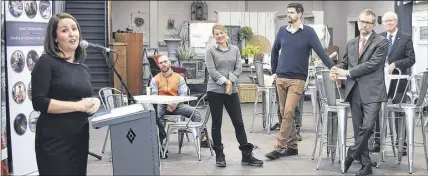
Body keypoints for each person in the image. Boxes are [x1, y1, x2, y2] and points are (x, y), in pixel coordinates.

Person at [31, 13, 101, 175]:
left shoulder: (83, 68)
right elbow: (39, 102)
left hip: (79, 138)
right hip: (54, 140)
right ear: (55, 38)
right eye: (64, 30)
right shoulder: (46, 62)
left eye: (74, 29)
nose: (72, 33)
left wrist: (95, 103)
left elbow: (83, 98)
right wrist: (77, 106)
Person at [265, 3, 334, 160]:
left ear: (300, 14)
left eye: (292, 12)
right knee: (284, 114)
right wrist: (275, 71)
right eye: (287, 12)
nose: (288, 15)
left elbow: (321, 53)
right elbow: (274, 50)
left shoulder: (308, 33)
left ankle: (279, 146)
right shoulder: (282, 31)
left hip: (297, 80)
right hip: (281, 78)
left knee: (289, 112)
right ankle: (292, 146)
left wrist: (333, 68)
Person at [330, 9, 388, 175]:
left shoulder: (382, 42)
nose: (364, 25)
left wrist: (347, 73)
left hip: (373, 91)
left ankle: (351, 154)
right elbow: (346, 62)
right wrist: (336, 69)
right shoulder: (351, 42)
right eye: (361, 21)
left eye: (368, 22)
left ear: (373, 24)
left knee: (368, 127)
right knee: (358, 129)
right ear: (358, 22)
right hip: (354, 90)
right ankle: (366, 165)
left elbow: (372, 65)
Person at [205, 23, 263, 167]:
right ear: (214, 37)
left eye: (221, 33)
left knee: (238, 123)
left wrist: (232, 81)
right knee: (216, 124)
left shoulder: (235, 49)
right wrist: (226, 81)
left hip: (232, 91)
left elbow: (238, 68)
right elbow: (211, 71)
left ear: (226, 34)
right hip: (215, 91)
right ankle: (219, 155)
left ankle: (246, 155)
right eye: (216, 34)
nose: (219, 36)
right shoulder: (210, 51)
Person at [371, 11, 415, 155]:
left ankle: (402, 145)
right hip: (380, 82)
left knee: (398, 113)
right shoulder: (379, 38)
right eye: (385, 21)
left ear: (396, 22)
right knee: (377, 111)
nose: (388, 23)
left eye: (391, 21)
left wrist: (395, 64)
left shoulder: (406, 38)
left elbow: (411, 59)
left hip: (398, 84)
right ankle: (378, 142)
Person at [150, 55, 210, 148]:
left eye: (165, 61)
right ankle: (159, 145)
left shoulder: (179, 78)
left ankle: (203, 139)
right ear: (158, 65)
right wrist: (167, 103)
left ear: (169, 62)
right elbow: (154, 96)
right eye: (160, 63)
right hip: (162, 105)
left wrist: (174, 103)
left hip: (177, 106)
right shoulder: (155, 79)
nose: (163, 64)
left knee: (195, 112)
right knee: (157, 115)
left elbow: (183, 94)